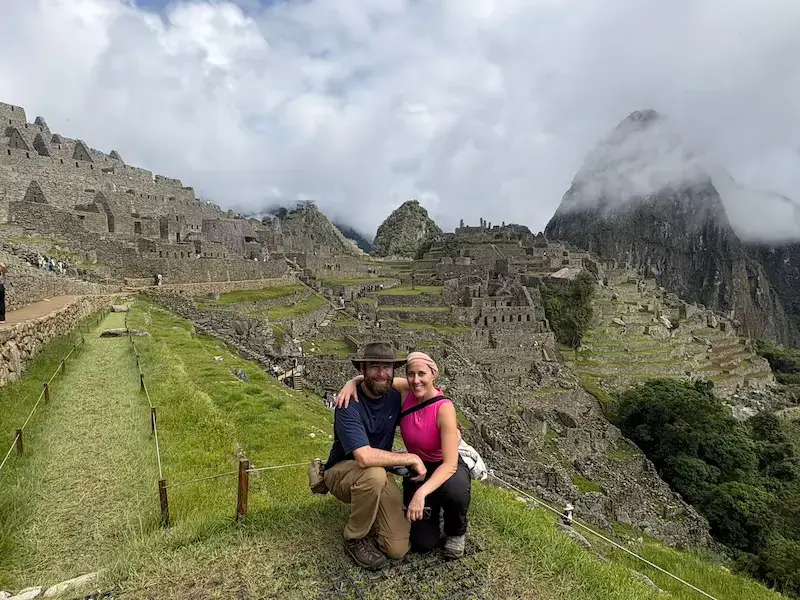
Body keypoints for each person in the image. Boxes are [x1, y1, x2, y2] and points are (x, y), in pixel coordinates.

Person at [337, 351, 471, 558]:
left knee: (455, 489)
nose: (416, 380)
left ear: (433, 374)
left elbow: (450, 464)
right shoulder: (404, 392)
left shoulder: (444, 408)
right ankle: (431, 509)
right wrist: (351, 382)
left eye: (422, 374)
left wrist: (420, 494)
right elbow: (376, 377)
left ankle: (456, 530)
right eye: (411, 374)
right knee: (423, 543)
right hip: (416, 469)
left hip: (444, 465)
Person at [323, 342, 428, 571]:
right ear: (363, 369)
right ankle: (354, 538)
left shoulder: (393, 395)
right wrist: (411, 458)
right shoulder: (348, 403)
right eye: (374, 367)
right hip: (343, 471)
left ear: (393, 371)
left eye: (387, 367)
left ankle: (373, 522)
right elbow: (364, 458)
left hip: (378, 472)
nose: (381, 373)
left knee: (397, 549)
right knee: (374, 474)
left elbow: (422, 384)